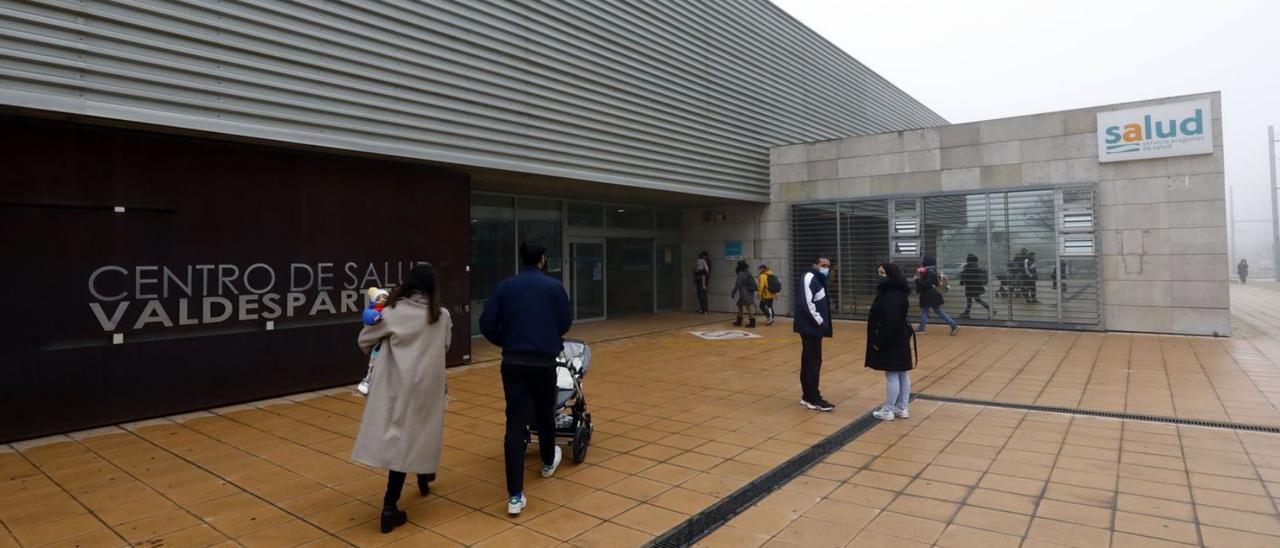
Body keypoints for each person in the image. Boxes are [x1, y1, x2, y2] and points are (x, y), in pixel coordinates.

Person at [351, 263, 451, 534]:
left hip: (394, 387)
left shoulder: (392, 312)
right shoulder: (441, 316)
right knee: (419, 435)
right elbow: (445, 346)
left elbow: (365, 340)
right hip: (427, 388)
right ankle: (392, 503)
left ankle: (391, 506)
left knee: (400, 439)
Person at [479, 241, 572, 516]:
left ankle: (515, 496)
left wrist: (506, 341)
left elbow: (486, 324)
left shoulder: (505, 287)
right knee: (545, 412)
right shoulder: (554, 288)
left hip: (513, 362)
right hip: (544, 362)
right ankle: (546, 462)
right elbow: (565, 322)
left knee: (515, 423)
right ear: (543, 259)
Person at [866, 263, 915, 421]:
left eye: (882, 272)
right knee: (902, 373)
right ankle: (902, 407)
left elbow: (891, 320)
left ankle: (888, 409)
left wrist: (879, 341)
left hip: (891, 339)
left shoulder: (890, 294)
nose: (879, 275)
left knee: (892, 374)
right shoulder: (900, 291)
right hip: (900, 338)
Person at [794, 256, 834, 411]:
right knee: (813, 363)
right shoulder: (809, 277)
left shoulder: (819, 279)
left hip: (814, 328)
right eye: (823, 265)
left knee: (809, 361)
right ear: (814, 265)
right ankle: (813, 398)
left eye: (828, 266)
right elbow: (806, 303)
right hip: (811, 328)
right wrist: (820, 322)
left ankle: (807, 395)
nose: (826, 268)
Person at [916, 255, 958, 336]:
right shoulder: (933, 271)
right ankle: (953, 325)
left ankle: (921, 329)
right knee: (938, 311)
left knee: (924, 311)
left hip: (928, 296)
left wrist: (917, 279)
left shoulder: (928, 272)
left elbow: (925, 283)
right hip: (934, 295)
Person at [958, 254, 994, 319]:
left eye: (967, 258)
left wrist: (962, 279)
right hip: (973, 286)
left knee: (975, 300)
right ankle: (967, 313)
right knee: (972, 300)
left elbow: (965, 275)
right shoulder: (975, 266)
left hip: (972, 286)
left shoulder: (970, 266)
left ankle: (991, 310)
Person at [731, 260, 758, 327]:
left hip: (744, 294)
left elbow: (738, 284)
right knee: (739, 304)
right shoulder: (748, 273)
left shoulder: (741, 274)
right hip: (750, 293)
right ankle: (739, 321)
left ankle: (752, 323)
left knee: (748, 308)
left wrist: (733, 292)